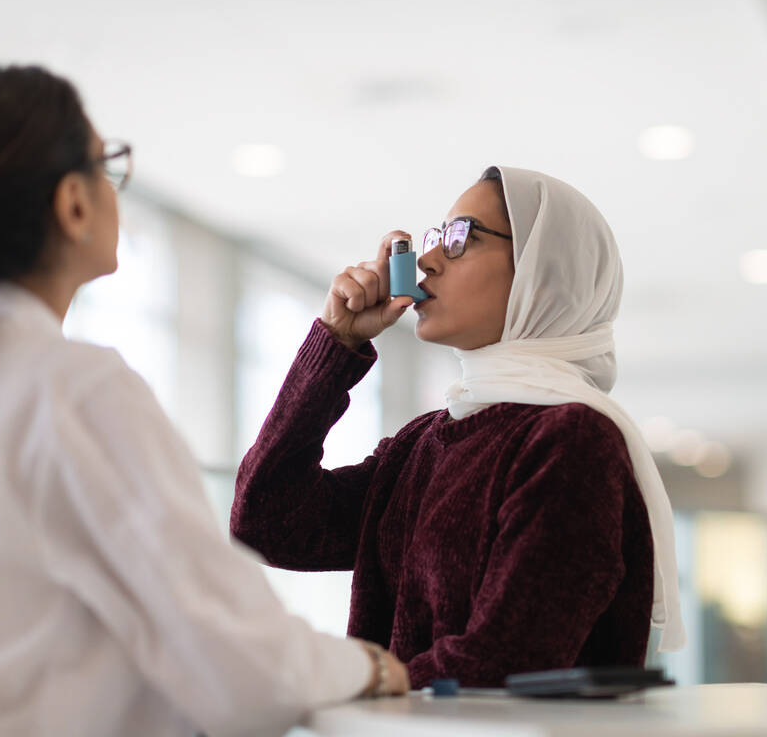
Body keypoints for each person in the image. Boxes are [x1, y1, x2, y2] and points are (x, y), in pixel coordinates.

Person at [0, 63, 407, 737]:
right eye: (109, 164)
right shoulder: (69, 389)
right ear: (73, 204)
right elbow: (244, 671)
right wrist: (369, 667)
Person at [232, 165, 685, 688]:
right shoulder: (421, 443)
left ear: (543, 271)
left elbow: (508, 663)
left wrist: (351, 682)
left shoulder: (573, 441)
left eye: (459, 238)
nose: (424, 262)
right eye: (434, 238)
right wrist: (336, 343)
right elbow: (267, 524)